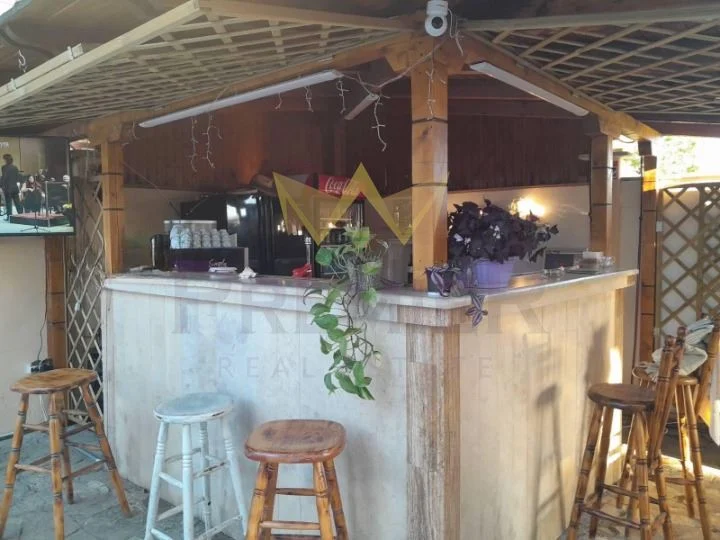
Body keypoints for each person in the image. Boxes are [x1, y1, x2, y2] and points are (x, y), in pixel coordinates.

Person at [1, 154, 21, 219]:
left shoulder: (3, 167)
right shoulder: (15, 167)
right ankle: (21, 215)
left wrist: (2, 186)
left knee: (8, 204)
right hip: (15, 187)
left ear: (5, 159)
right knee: (17, 203)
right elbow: (17, 178)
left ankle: (9, 217)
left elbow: (4, 178)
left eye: (4, 159)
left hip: (7, 188)